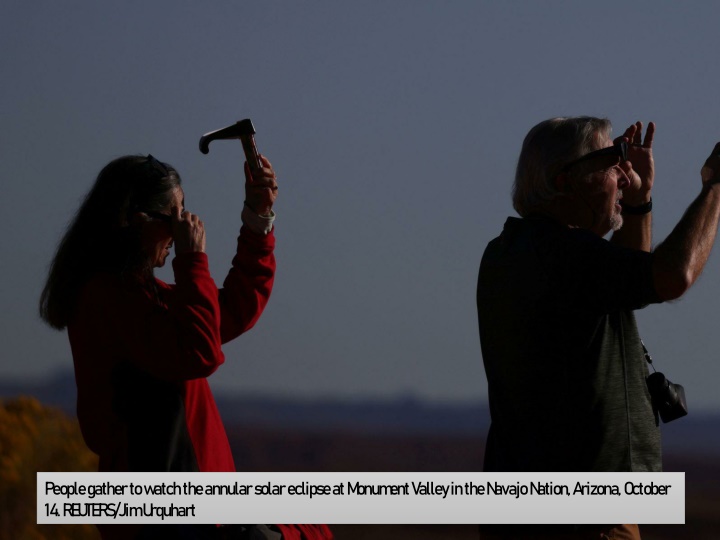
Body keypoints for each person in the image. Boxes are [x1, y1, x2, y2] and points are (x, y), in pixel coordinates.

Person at [40, 154, 332, 540]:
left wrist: (258, 219)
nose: (183, 226)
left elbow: (229, 311)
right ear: (133, 219)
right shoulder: (107, 299)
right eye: (172, 216)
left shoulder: (141, 297)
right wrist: (192, 259)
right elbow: (199, 351)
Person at [476, 117, 720, 539]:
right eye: (612, 163)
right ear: (566, 180)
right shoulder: (561, 255)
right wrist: (715, 187)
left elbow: (625, 286)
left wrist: (639, 202)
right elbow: (673, 275)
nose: (624, 177)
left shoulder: (517, 250)